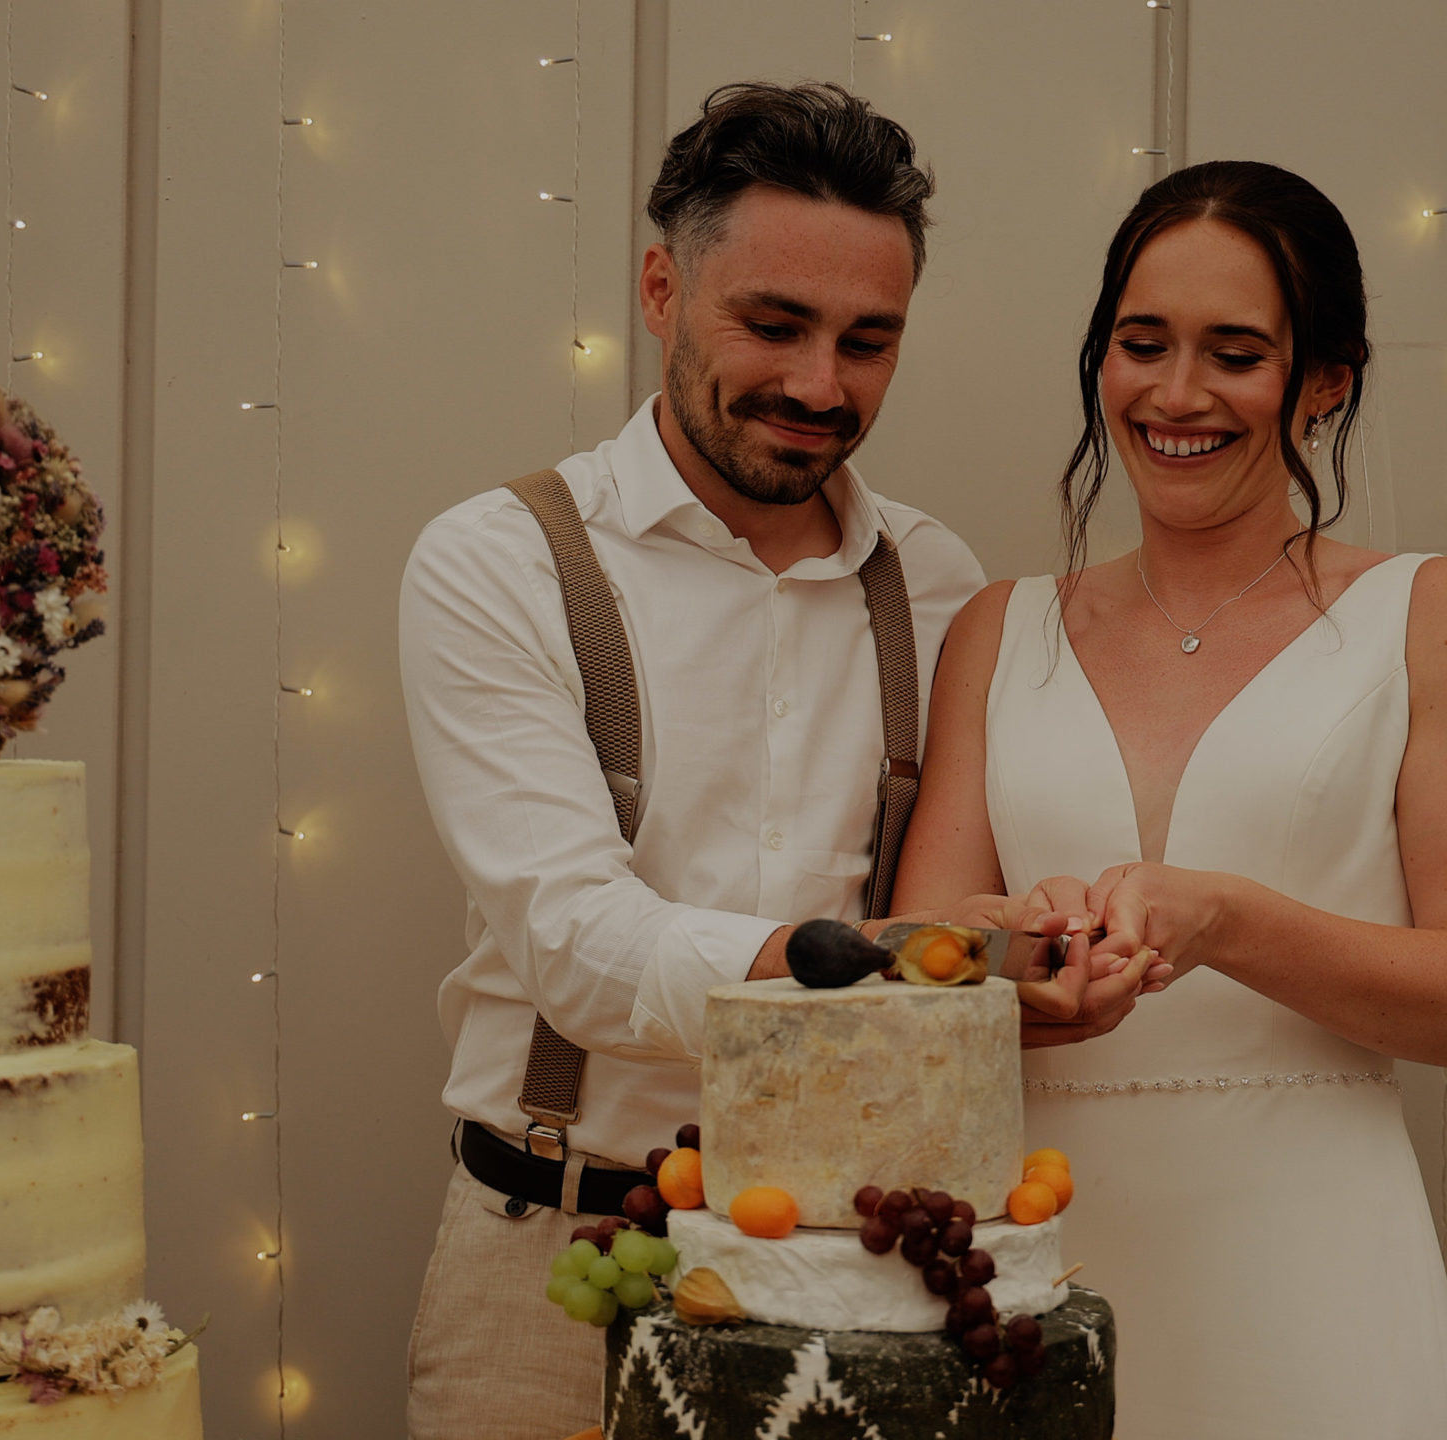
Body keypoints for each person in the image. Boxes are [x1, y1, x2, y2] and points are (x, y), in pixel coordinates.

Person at [397, 82, 1143, 1439]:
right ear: (660, 287)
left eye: (869, 342)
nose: (820, 386)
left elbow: (941, 929)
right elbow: (572, 938)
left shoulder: (935, 583)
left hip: (857, 1261)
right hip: (555, 1252)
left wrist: (1017, 971)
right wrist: (852, 957)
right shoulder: (499, 559)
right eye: (776, 326)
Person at [892, 160, 1447, 1435]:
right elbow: (916, 971)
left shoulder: (1432, 616)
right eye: (1142, 344)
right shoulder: (995, 628)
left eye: (1233, 353)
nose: (1176, 394)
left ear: (1323, 383)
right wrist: (1016, 947)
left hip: (1317, 1275)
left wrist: (1229, 923)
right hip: (1029, 1266)